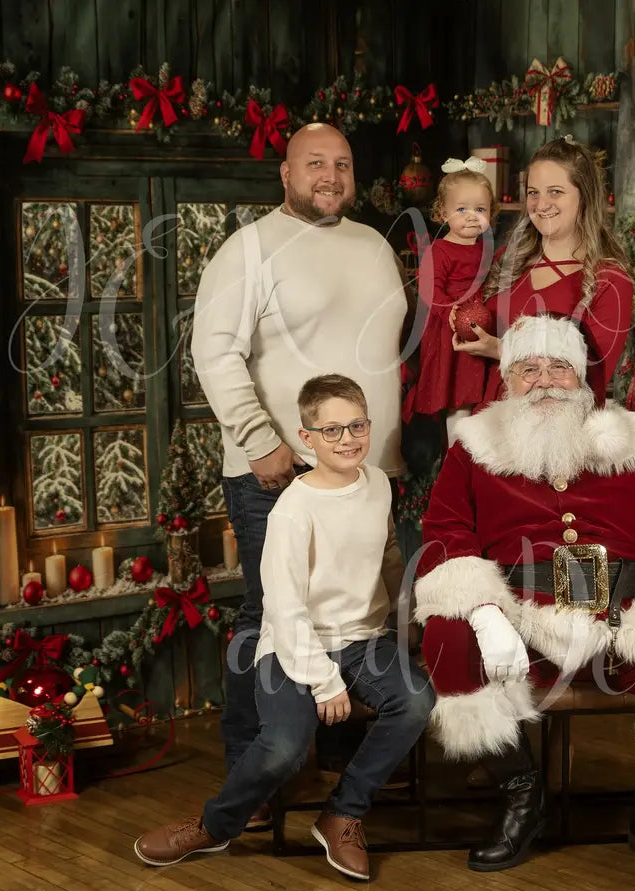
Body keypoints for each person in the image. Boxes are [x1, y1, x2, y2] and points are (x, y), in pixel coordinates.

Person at [413, 314, 635, 875]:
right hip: (523, 627)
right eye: (528, 369)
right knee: (447, 636)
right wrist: (488, 614)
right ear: (506, 380)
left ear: (583, 378)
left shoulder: (633, 441)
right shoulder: (473, 448)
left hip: (627, 625)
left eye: (559, 368)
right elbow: (445, 537)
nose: (544, 381)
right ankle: (522, 797)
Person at [191, 123, 408, 826]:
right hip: (277, 473)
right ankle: (252, 771)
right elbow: (214, 351)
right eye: (315, 163)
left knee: (355, 616)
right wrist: (260, 440)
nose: (331, 175)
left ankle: (340, 754)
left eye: (342, 163)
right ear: (285, 173)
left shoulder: (373, 246)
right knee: (266, 616)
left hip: (366, 476)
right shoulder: (249, 248)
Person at [135, 375, 434, 880]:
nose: (347, 440)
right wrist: (323, 679)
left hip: (362, 641)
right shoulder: (294, 509)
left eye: (356, 426)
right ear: (307, 438)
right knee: (284, 746)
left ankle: (344, 811)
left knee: (417, 701)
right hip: (295, 645)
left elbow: (387, 556)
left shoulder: (378, 483)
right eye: (332, 430)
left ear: (369, 425)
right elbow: (284, 606)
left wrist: (404, 626)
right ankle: (214, 824)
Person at [453, 137, 634, 407]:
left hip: (551, 436)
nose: (541, 204)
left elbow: (591, 374)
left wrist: (501, 349)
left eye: (556, 192)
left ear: (584, 196)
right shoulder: (507, 262)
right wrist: (459, 316)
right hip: (480, 426)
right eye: (533, 192)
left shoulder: (610, 281)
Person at [402, 157, 498, 444]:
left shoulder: (486, 250)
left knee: (480, 393)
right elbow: (431, 290)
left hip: (481, 326)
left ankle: (475, 450)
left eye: (480, 209)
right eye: (462, 209)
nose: (472, 216)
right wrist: (451, 313)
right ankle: (457, 450)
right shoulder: (440, 250)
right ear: (443, 213)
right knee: (459, 394)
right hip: (450, 331)